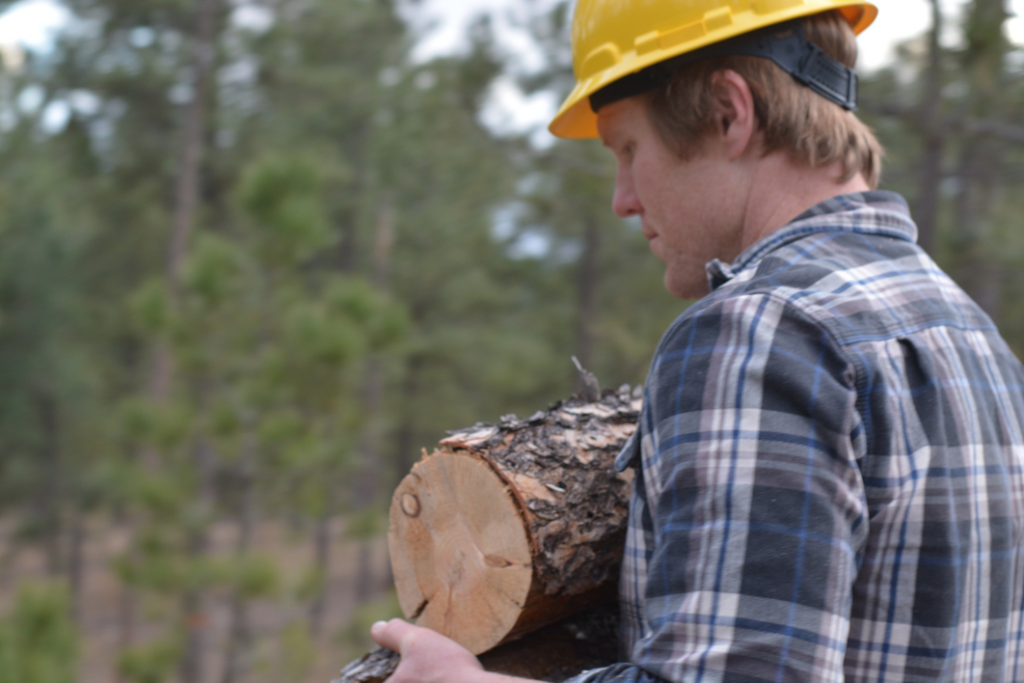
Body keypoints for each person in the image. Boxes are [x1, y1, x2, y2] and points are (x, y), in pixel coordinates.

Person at [371, 1, 1024, 681]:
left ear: (726, 114)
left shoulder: (762, 333)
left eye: (629, 149)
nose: (622, 198)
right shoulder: (969, 332)